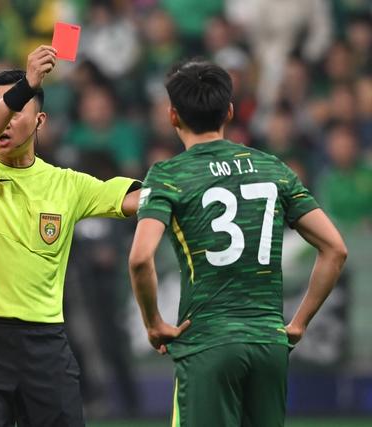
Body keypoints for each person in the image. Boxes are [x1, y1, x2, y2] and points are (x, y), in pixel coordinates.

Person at [128, 60, 347, 427]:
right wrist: (298, 323)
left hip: (207, 344)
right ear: (228, 111)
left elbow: (139, 259)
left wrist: (153, 322)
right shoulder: (273, 168)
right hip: (268, 343)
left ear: (172, 115)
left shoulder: (168, 175)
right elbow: (335, 249)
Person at [0, 45, 140, 426]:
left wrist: (185, 186)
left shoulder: (66, 184)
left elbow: (134, 198)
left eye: (14, 109)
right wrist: (27, 86)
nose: (2, 119)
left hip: (45, 344)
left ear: (40, 121)